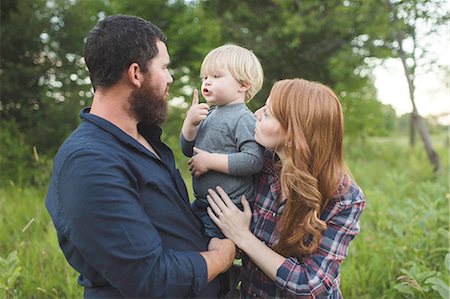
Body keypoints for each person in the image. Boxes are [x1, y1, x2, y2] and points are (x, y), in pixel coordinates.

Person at [45, 15, 235, 298]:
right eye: (165, 67)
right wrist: (220, 258)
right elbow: (149, 278)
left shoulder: (144, 139)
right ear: (136, 74)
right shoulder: (89, 162)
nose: (170, 78)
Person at [206, 78, 366, 298]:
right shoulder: (260, 164)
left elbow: (309, 284)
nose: (256, 114)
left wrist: (243, 236)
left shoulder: (344, 197)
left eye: (269, 113)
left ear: (293, 136)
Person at [180, 44, 264, 239]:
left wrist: (210, 161)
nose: (207, 82)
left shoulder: (244, 118)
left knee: (214, 253)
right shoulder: (209, 115)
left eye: (216, 76)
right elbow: (187, 150)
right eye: (205, 77)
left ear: (243, 85)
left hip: (228, 209)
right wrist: (189, 124)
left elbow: (253, 160)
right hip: (202, 203)